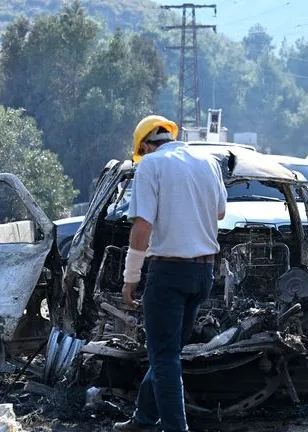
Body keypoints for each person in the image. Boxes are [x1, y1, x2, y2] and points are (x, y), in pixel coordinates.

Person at [113, 115, 227, 432]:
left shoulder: (150, 165)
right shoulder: (208, 161)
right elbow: (220, 211)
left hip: (168, 272)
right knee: (169, 352)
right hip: (203, 272)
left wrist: (130, 277)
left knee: (163, 356)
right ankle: (143, 420)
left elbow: (142, 228)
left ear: (146, 145)